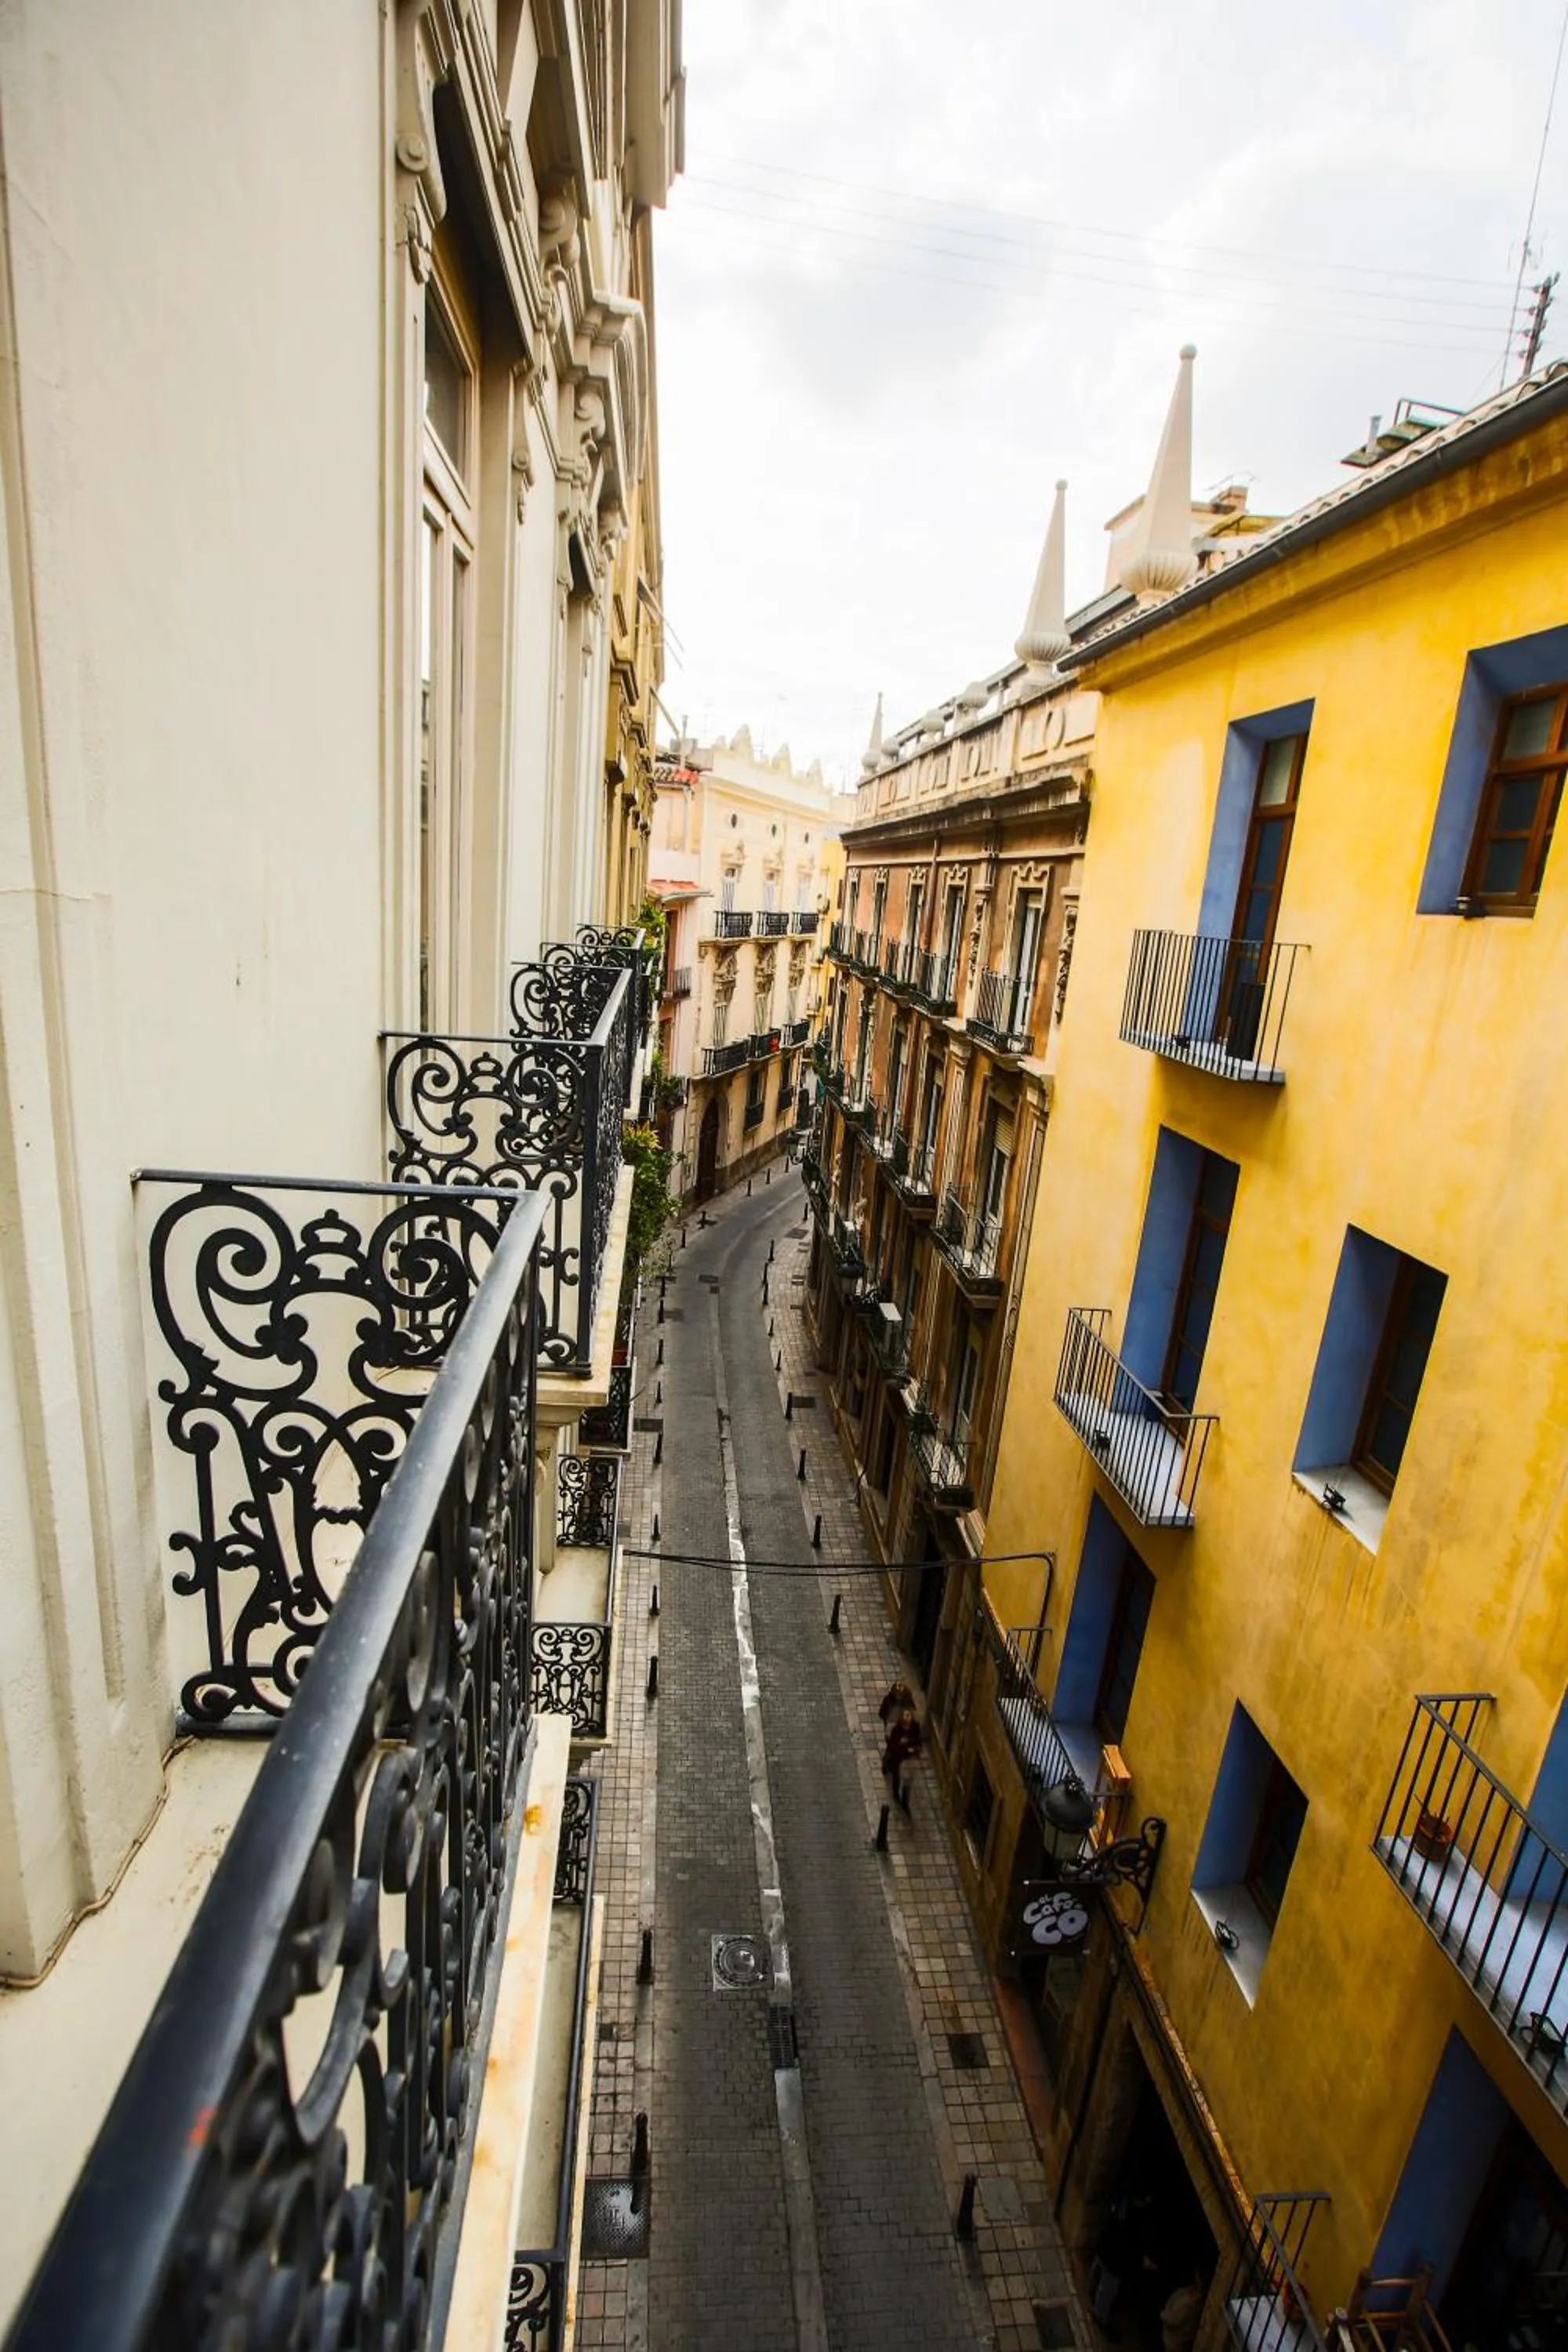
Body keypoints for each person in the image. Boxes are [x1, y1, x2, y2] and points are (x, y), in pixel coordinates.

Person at [881, 1701, 924, 1811]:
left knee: (908, 1782)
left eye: (909, 1716)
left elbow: (919, 1743)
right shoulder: (897, 1730)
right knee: (897, 1778)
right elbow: (893, 1746)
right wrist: (904, 1746)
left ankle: (905, 1802)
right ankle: (896, 1794)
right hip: (898, 1759)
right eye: (906, 1716)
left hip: (910, 1761)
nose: (908, 1718)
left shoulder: (915, 1728)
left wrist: (913, 1748)